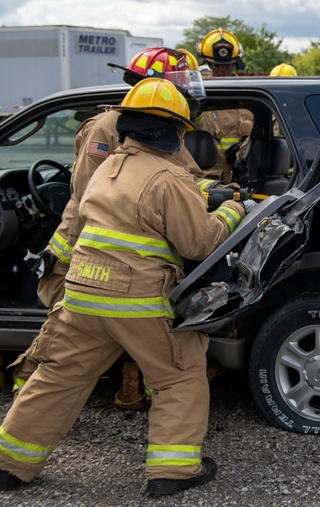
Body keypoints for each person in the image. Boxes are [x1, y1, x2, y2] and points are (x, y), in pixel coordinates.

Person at [0, 77, 252, 496]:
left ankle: (10, 465)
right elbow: (199, 242)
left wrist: (205, 194)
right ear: (174, 130)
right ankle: (173, 472)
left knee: (60, 375)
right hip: (137, 301)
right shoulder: (168, 179)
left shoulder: (107, 170)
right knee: (179, 374)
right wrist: (232, 209)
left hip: (81, 293)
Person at [12, 47, 208, 394]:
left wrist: (215, 193)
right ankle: (26, 386)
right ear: (153, 84)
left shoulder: (159, 127)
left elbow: (187, 174)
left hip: (114, 247)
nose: (184, 91)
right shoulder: (108, 126)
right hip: (84, 244)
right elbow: (91, 192)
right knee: (63, 332)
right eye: (175, 82)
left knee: (100, 328)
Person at [195, 28, 253, 182]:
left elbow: (262, 131)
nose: (222, 68)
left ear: (235, 63)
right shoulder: (199, 96)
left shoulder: (250, 94)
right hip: (208, 181)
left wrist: (244, 149)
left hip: (242, 178)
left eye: (227, 64)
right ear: (208, 63)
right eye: (216, 64)